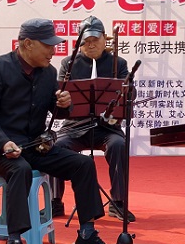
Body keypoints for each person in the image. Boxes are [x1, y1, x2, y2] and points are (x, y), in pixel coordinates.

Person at [0, 18, 118, 244]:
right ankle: (14, 242)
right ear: (27, 44)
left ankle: (86, 233)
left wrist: (64, 105)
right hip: (1, 149)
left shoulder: (49, 73)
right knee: (19, 169)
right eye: (48, 45)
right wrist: (4, 143)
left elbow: (57, 112)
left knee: (83, 164)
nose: (54, 51)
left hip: (35, 146)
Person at [49, 15, 135, 222]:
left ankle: (118, 202)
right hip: (74, 127)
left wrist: (127, 93)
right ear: (79, 43)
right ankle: (55, 201)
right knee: (56, 146)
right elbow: (58, 95)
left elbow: (129, 96)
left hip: (107, 128)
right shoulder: (68, 63)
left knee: (118, 145)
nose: (91, 45)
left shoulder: (118, 63)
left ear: (105, 39)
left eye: (95, 40)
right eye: (86, 41)